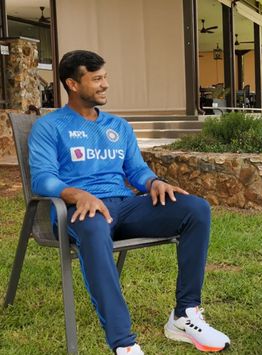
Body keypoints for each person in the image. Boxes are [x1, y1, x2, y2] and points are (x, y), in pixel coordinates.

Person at [28, 50, 230, 355]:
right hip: (79, 210)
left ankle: (184, 314)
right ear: (72, 84)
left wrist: (153, 182)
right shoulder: (50, 127)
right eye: (96, 78)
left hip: (123, 205)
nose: (105, 84)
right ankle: (124, 344)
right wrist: (78, 194)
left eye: (105, 77)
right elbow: (43, 179)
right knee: (94, 227)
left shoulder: (118, 127)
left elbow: (135, 170)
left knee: (195, 209)